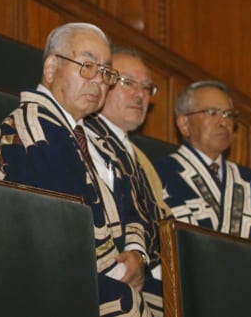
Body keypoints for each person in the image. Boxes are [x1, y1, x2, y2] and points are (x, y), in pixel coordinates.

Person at [0, 23, 148, 317]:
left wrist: (137, 254)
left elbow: (134, 209)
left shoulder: (98, 141)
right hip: (51, 286)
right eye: (87, 66)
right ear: (51, 68)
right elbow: (70, 224)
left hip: (109, 280)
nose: (98, 80)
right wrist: (123, 271)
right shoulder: (31, 130)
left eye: (106, 72)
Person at [85, 46, 170, 316]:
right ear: (104, 82)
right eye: (128, 83)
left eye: (146, 87)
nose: (140, 94)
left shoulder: (140, 157)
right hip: (114, 275)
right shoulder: (84, 139)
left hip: (156, 275)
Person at [155, 81, 251, 246]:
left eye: (229, 114)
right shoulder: (157, 175)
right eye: (212, 113)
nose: (224, 122)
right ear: (184, 124)